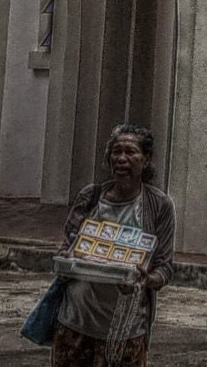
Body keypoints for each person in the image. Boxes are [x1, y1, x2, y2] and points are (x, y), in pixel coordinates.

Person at [51, 124, 175, 366]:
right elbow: (67, 247)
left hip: (124, 331)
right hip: (75, 324)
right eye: (116, 152)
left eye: (130, 152)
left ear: (146, 159)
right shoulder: (90, 197)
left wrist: (146, 279)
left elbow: (165, 268)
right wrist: (67, 257)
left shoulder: (159, 206)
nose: (121, 158)